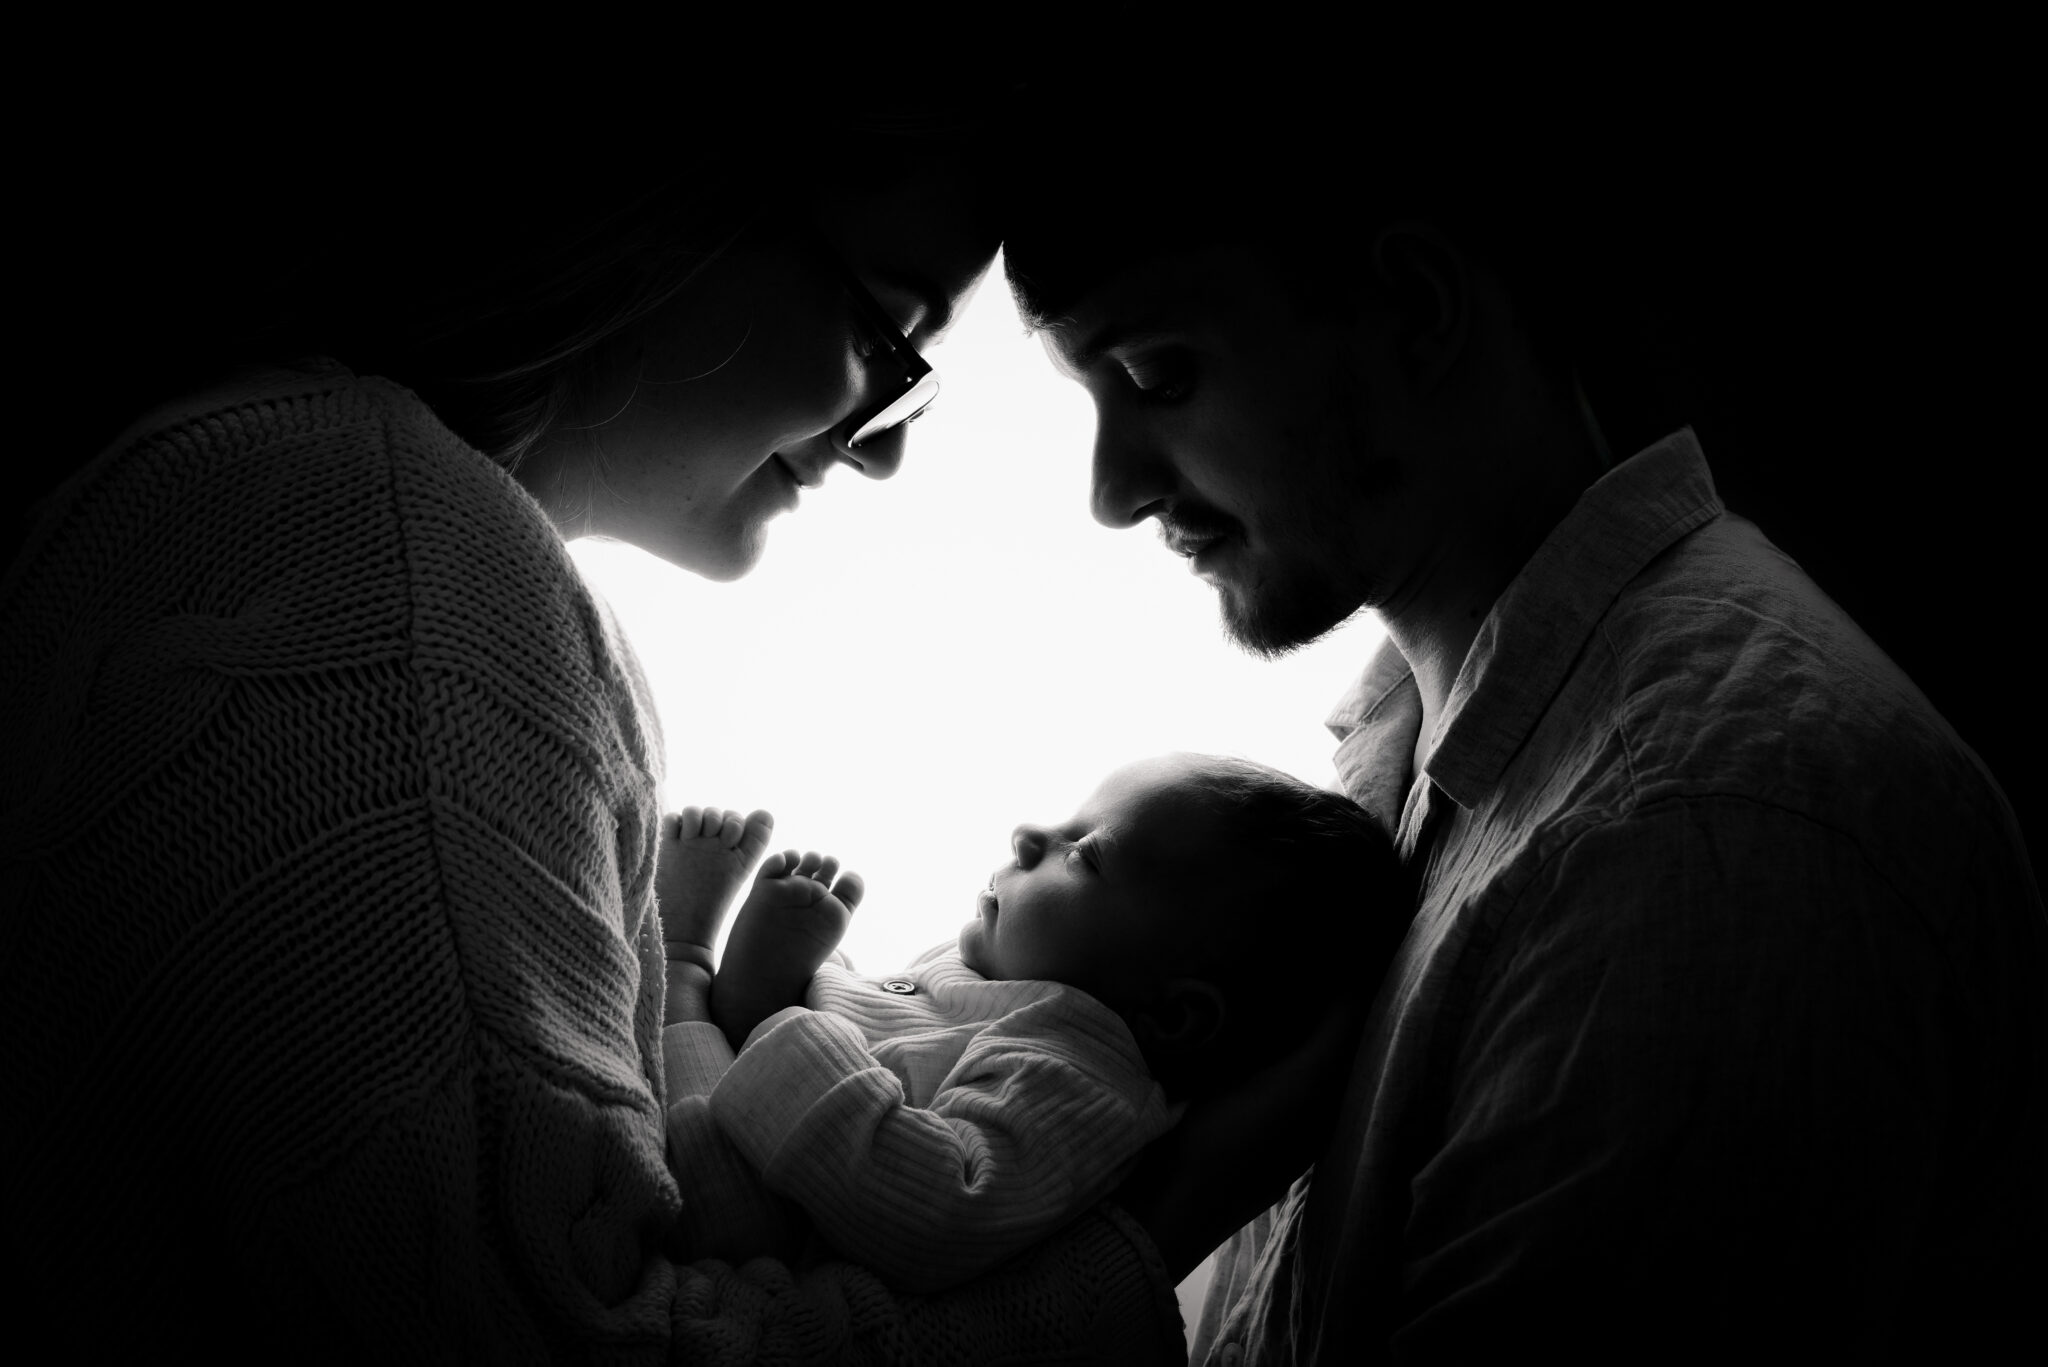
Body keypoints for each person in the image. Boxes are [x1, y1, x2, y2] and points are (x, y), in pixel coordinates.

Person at [0, 95, 1228, 1363]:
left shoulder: (316, 514)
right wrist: (1165, 1216)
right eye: (889, 327)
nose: (881, 454)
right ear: (668, 206)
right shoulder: (396, 570)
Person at [999, 97, 2048, 1362]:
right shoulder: (1423, 748)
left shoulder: (1705, 843)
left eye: (1159, 374)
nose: (1111, 491)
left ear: (1418, 308)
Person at [649, 753, 1402, 1295]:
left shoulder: (1079, 1076)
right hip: (764, 1121)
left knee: (693, 1038)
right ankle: (733, 996)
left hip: (757, 1234)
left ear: (1174, 1014)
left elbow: (938, 1208)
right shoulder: (998, 978)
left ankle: (691, 967)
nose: (1029, 834)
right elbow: (898, 1038)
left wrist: (787, 1016)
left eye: (1088, 853)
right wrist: (826, 980)